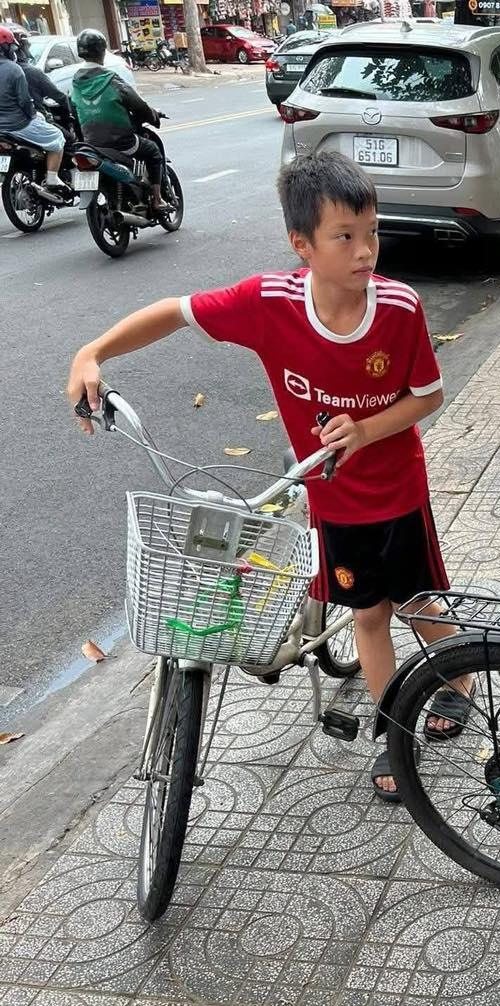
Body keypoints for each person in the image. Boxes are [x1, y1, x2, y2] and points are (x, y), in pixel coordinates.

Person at [66, 152, 470, 800]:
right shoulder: (268, 303)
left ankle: (459, 682)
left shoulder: (400, 308)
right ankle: (395, 733)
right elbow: (174, 311)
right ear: (301, 244)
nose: (365, 251)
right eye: (345, 237)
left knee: (417, 601)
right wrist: (93, 352)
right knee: (369, 614)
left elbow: (428, 396)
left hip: (397, 491)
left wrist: (366, 430)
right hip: (332, 498)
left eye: (372, 232)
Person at [69, 28, 166, 215]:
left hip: (91, 144)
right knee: (153, 150)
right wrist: (153, 116)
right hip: (120, 141)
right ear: (102, 50)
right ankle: (157, 199)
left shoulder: (76, 82)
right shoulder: (111, 79)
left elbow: (73, 108)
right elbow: (138, 105)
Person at [0, 26, 68, 191]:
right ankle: (52, 178)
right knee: (57, 137)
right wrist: (34, 115)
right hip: (17, 124)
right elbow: (24, 101)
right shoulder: (14, 69)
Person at [13, 25, 78, 136]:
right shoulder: (31, 72)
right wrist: (76, 110)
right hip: (33, 123)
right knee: (69, 140)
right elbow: (58, 96)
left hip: (10, 126)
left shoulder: (8, 71)